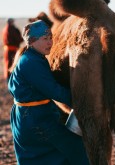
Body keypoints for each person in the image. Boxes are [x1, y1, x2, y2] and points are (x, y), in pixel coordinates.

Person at [8, 20, 89, 165]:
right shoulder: (31, 62)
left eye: (51, 38)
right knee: (76, 148)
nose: (50, 42)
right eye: (45, 39)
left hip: (29, 117)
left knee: (38, 157)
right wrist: (81, 102)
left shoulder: (32, 58)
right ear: (32, 41)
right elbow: (53, 90)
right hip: (35, 119)